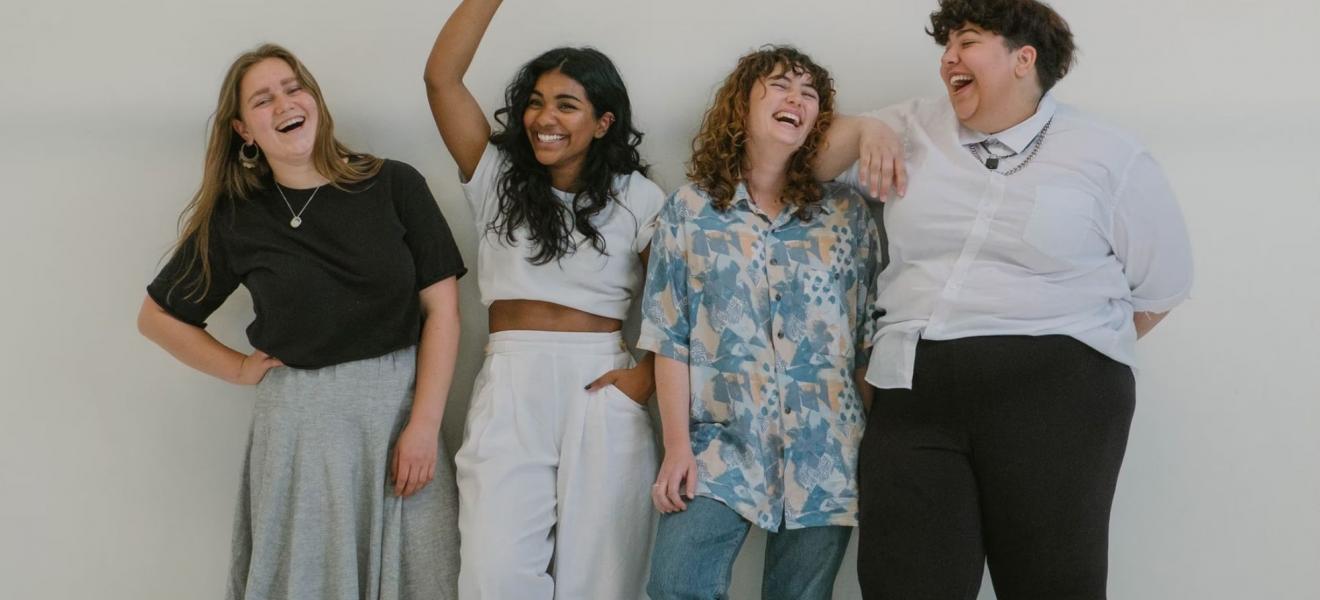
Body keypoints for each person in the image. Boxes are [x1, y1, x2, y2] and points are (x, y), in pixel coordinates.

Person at [816, 1, 1195, 597]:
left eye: (967, 41)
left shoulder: (1108, 154)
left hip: (1058, 398)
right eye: (946, 46)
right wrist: (864, 127)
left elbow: (1162, 287)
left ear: (1024, 59)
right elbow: (802, 158)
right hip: (914, 387)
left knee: (1050, 584)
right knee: (904, 583)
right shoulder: (910, 126)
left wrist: (1064, 356)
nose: (948, 58)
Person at [136, 44, 464, 600]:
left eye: (293, 87)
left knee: (423, 575)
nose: (284, 103)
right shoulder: (237, 216)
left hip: (400, 414)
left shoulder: (394, 184)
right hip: (300, 431)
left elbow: (444, 313)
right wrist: (240, 369)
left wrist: (424, 425)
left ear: (314, 99)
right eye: (263, 100)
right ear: (244, 129)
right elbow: (158, 318)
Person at [423, 1, 664, 598]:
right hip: (512, 379)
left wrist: (647, 377)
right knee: (493, 574)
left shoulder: (639, 196)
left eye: (565, 104)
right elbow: (440, 78)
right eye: (535, 101)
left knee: (602, 581)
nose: (543, 117)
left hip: (602, 381)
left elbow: (676, 303)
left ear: (603, 122)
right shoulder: (496, 176)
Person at [640, 46, 882, 600]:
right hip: (720, 444)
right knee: (676, 586)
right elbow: (669, 335)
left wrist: (872, 444)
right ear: (740, 107)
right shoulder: (690, 209)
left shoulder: (847, 213)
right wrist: (677, 447)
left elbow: (870, 335)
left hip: (828, 449)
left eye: (809, 93)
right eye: (778, 86)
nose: (795, 99)